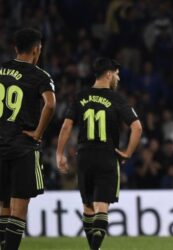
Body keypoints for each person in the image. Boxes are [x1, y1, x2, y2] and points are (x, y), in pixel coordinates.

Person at [56, 58, 142, 250]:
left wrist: (59, 154)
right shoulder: (116, 98)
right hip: (107, 155)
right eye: (117, 74)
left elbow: (67, 126)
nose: (118, 78)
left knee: (88, 208)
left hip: (84, 155)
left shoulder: (80, 96)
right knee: (101, 207)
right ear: (109, 74)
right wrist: (127, 152)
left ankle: (94, 248)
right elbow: (137, 127)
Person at [0, 28, 56, 250]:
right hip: (22, 147)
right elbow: (50, 104)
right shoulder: (39, 75)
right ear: (36, 49)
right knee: (18, 208)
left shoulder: (1, 70)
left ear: (15, 48)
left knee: (3, 206)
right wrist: (38, 133)